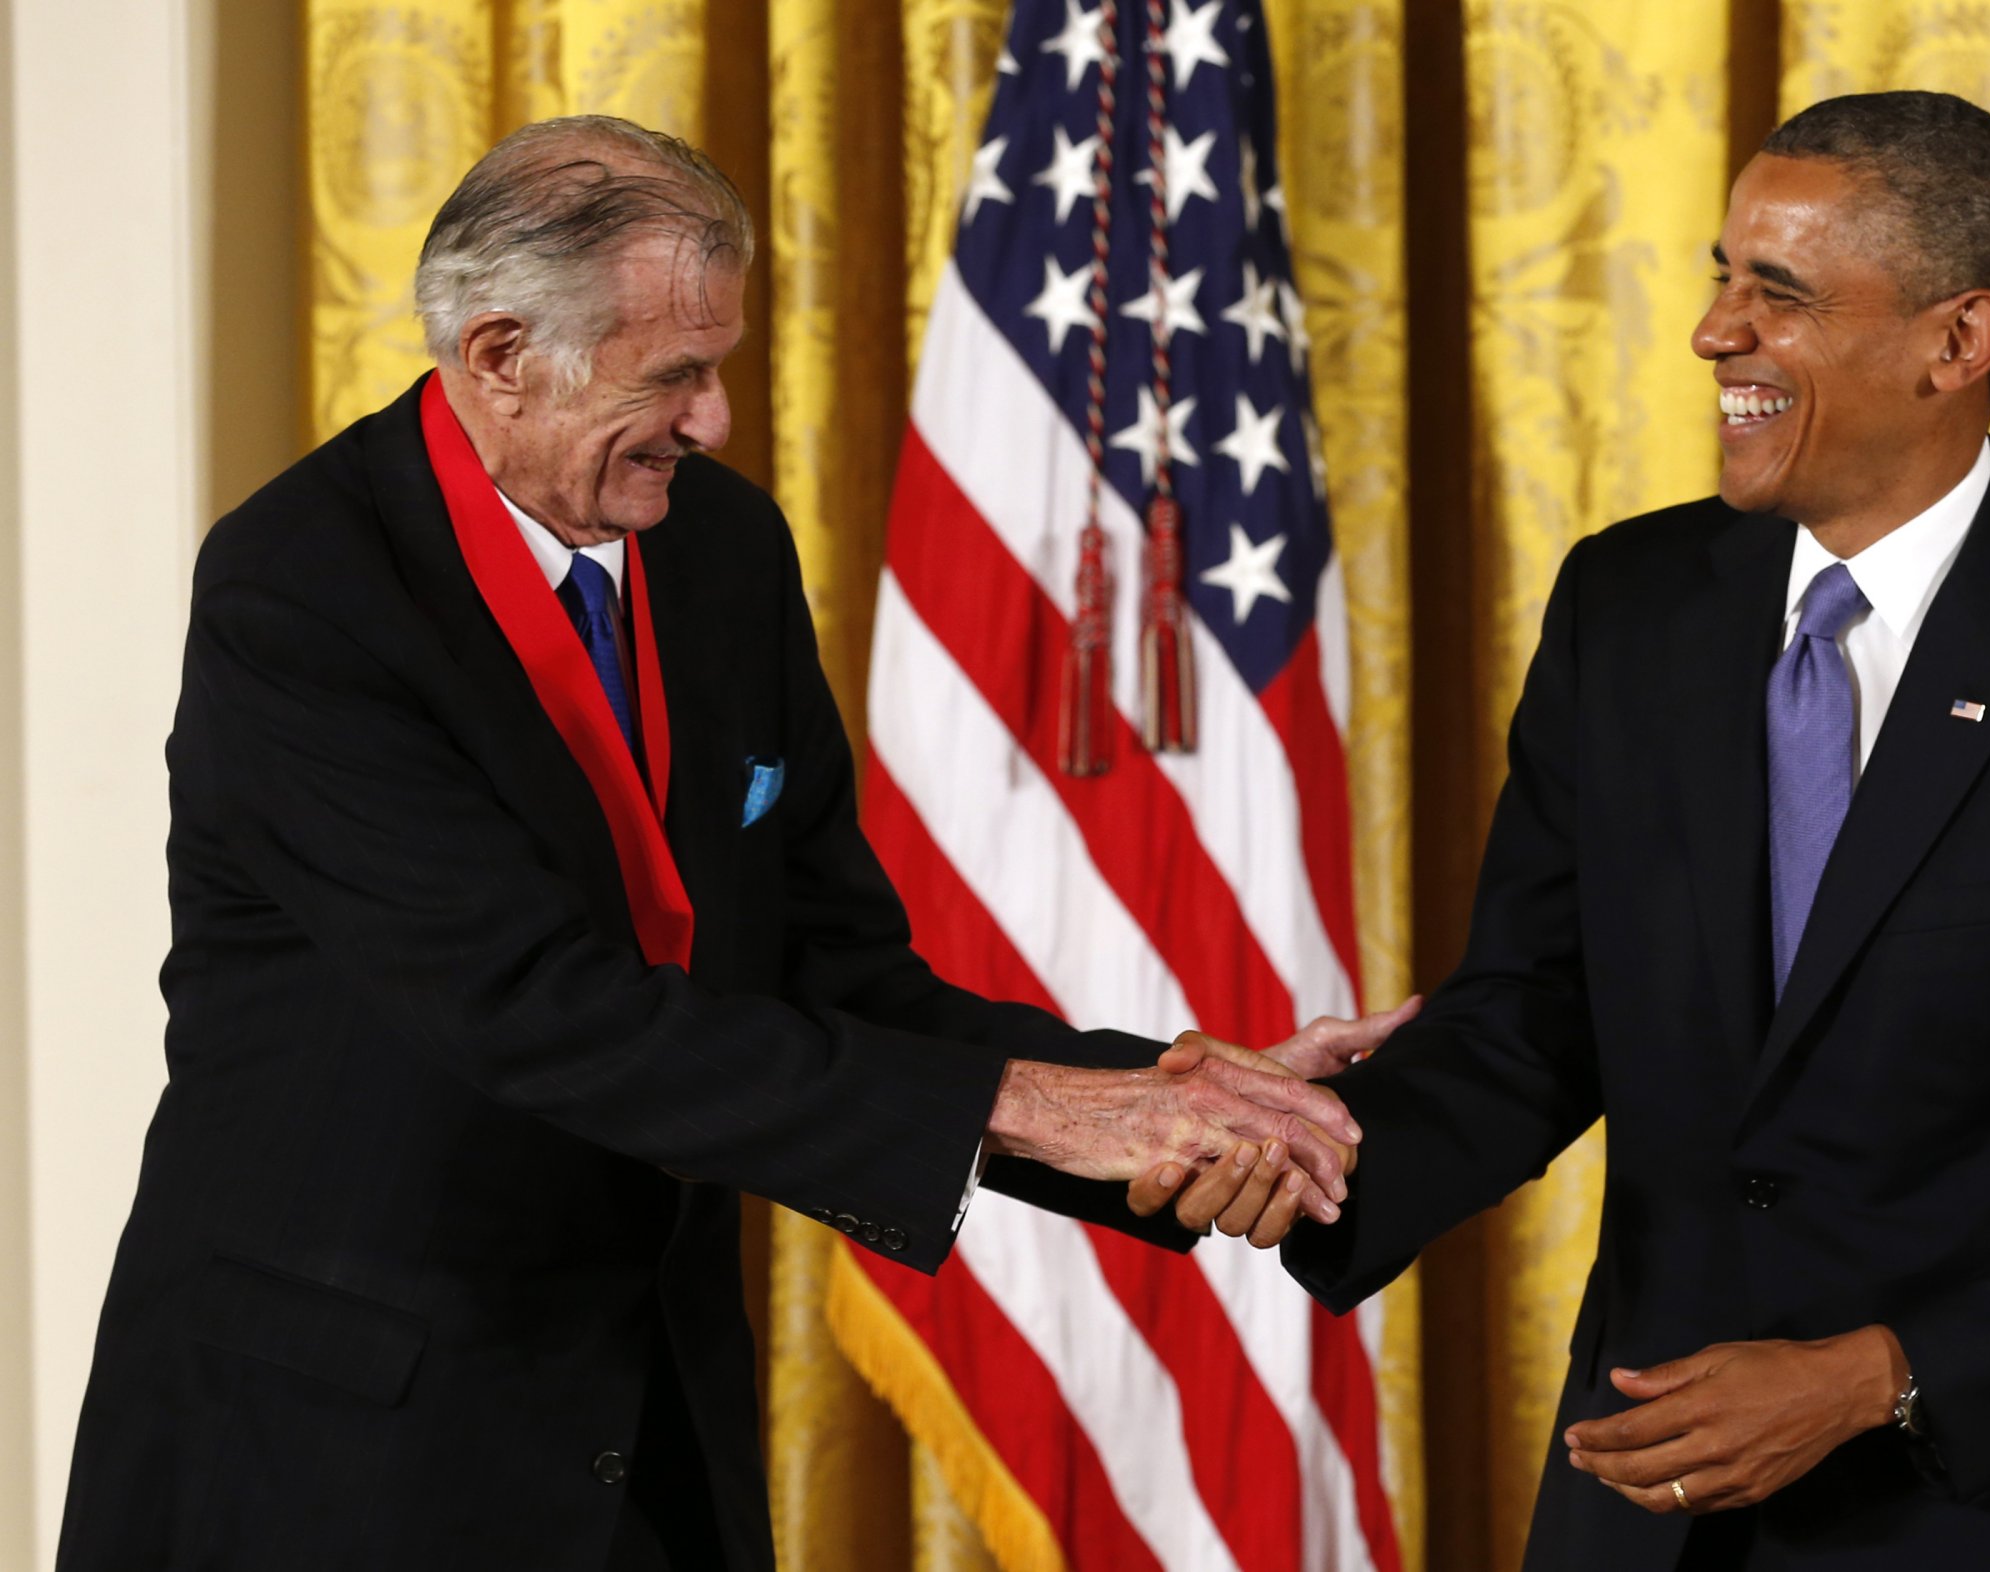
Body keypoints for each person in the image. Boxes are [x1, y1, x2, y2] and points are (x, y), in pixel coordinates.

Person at [57, 115, 1390, 1572]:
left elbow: (826, 966)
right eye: (675, 377)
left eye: (720, 367)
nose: (715, 422)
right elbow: (539, 1009)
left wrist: (1157, 1092)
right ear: (503, 354)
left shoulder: (723, 550)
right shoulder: (303, 594)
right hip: (339, 1442)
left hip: (646, 1425)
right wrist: (1031, 1108)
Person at [1149, 91, 1990, 1569]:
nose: (1714, 332)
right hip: (1651, 1507)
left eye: (1777, 294)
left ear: (1958, 342)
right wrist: (1309, 1149)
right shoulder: (1625, 609)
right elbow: (1534, 1014)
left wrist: (1880, 1376)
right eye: (1722, 276)